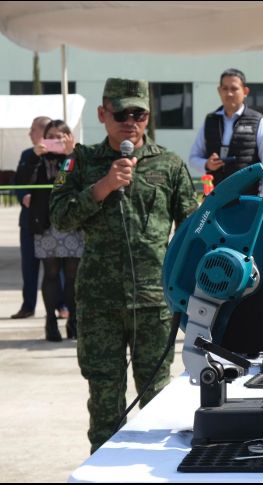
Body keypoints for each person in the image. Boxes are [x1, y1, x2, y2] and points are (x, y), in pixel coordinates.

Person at [50, 78, 198, 453]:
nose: (130, 121)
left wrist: (184, 287)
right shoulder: (79, 161)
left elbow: (193, 230)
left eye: (139, 114)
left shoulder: (170, 164)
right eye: (121, 114)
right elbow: (59, 218)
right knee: (105, 399)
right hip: (99, 303)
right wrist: (102, 187)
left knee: (157, 401)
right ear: (103, 114)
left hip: (153, 302)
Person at [25, 119, 83, 341]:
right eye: (51, 137)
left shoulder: (78, 157)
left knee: (72, 275)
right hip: (46, 224)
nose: (56, 141)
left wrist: (71, 155)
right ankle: (50, 321)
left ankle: (73, 320)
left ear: (69, 137)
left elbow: (80, 181)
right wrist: (35, 156)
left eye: (60, 137)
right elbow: (23, 181)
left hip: (72, 223)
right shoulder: (36, 157)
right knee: (50, 273)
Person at [188, 68, 263, 195]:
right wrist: (207, 164)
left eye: (234, 89)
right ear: (219, 91)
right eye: (225, 88)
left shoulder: (258, 121)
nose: (229, 93)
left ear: (245, 91)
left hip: (247, 198)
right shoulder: (210, 120)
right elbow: (193, 158)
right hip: (216, 199)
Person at [10, 116, 50, 320]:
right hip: (28, 221)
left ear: (43, 132)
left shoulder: (59, 155)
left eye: (33, 130)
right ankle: (28, 306)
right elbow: (18, 181)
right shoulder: (27, 154)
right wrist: (23, 195)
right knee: (29, 267)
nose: (29, 133)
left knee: (56, 269)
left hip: (51, 222)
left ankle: (62, 306)